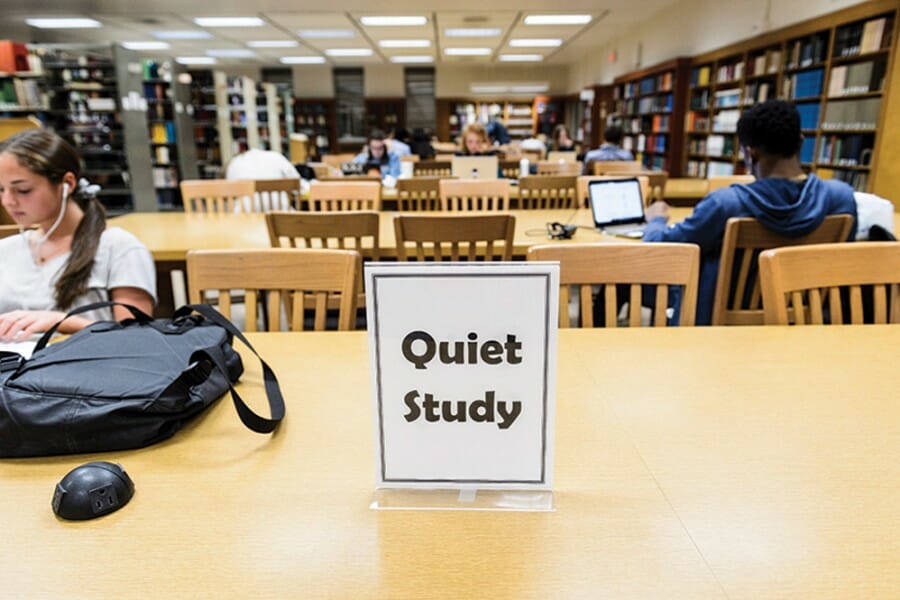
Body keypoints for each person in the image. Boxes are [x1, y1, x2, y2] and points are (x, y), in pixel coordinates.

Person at [642, 99, 857, 325]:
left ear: (750, 153)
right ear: (801, 142)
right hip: (799, 326)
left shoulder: (726, 205)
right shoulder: (840, 199)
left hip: (719, 332)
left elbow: (663, 251)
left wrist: (656, 220)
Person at [0, 129, 156, 341]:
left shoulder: (119, 248)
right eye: (1, 190)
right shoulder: (6, 250)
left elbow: (138, 341)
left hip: (85, 369)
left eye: (23, 190)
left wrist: (64, 322)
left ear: (67, 184)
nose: (8, 201)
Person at [224, 148, 300, 181]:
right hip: (280, 213)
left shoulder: (234, 163)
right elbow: (298, 184)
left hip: (245, 213)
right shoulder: (276, 156)